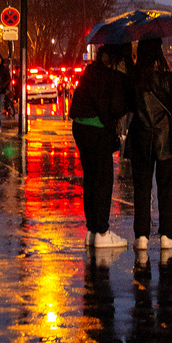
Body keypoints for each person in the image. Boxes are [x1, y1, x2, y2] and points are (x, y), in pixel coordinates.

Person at [128, 37, 172, 258]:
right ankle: (167, 236)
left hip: (141, 137)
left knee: (141, 187)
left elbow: (130, 107)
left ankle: (141, 236)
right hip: (166, 137)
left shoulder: (134, 78)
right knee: (166, 187)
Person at [69, 45, 130, 250]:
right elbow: (116, 108)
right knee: (103, 180)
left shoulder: (90, 72)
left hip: (80, 127)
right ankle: (103, 232)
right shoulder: (112, 76)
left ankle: (92, 229)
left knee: (90, 179)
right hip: (98, 131)